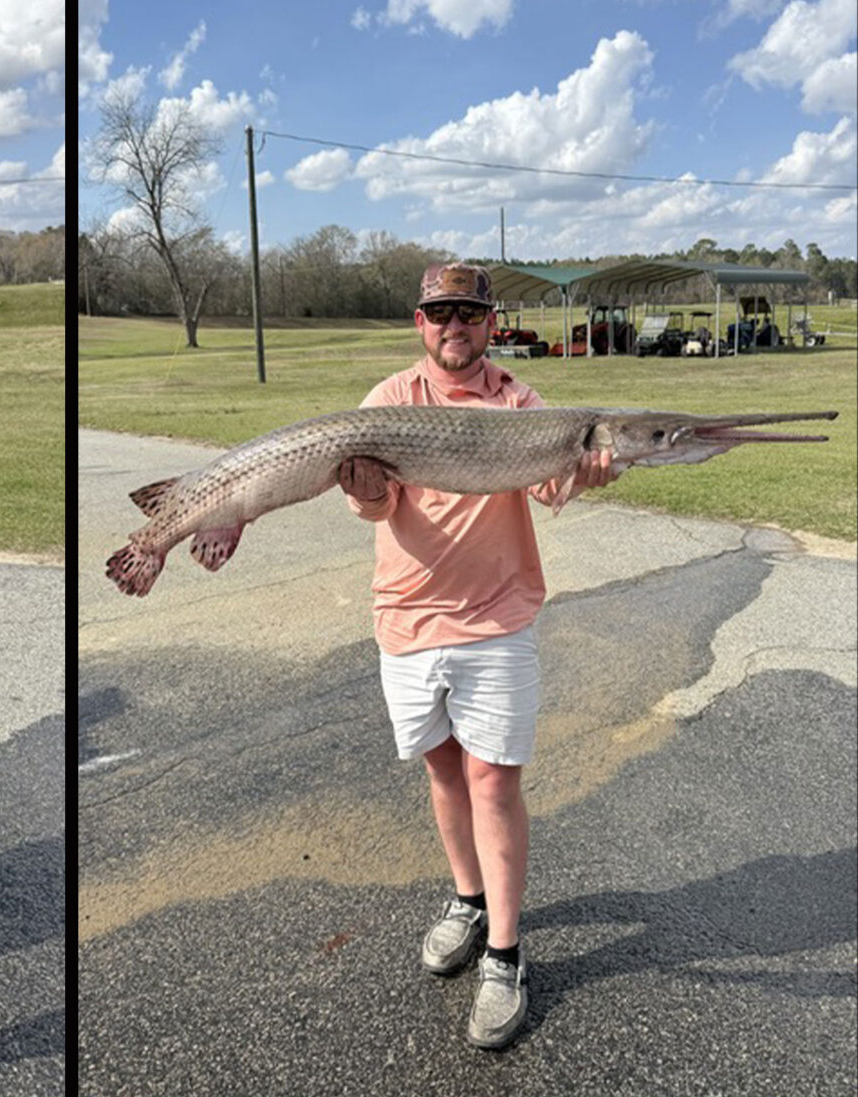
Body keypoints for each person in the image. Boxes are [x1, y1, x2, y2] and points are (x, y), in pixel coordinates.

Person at [337, 262, 617, 1050]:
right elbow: (375, 505)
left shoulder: (523, 406)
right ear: (418, 323)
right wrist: (361, 488)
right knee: (443, 771)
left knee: (493, 781)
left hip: (496, 619)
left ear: (492, 322)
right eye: (439, 314)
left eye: (468, 313)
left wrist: (586, 471)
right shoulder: (388, 401)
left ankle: (504, 951)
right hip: (407, 619)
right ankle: (466, 897)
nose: (453, 326)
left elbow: (550, 490)